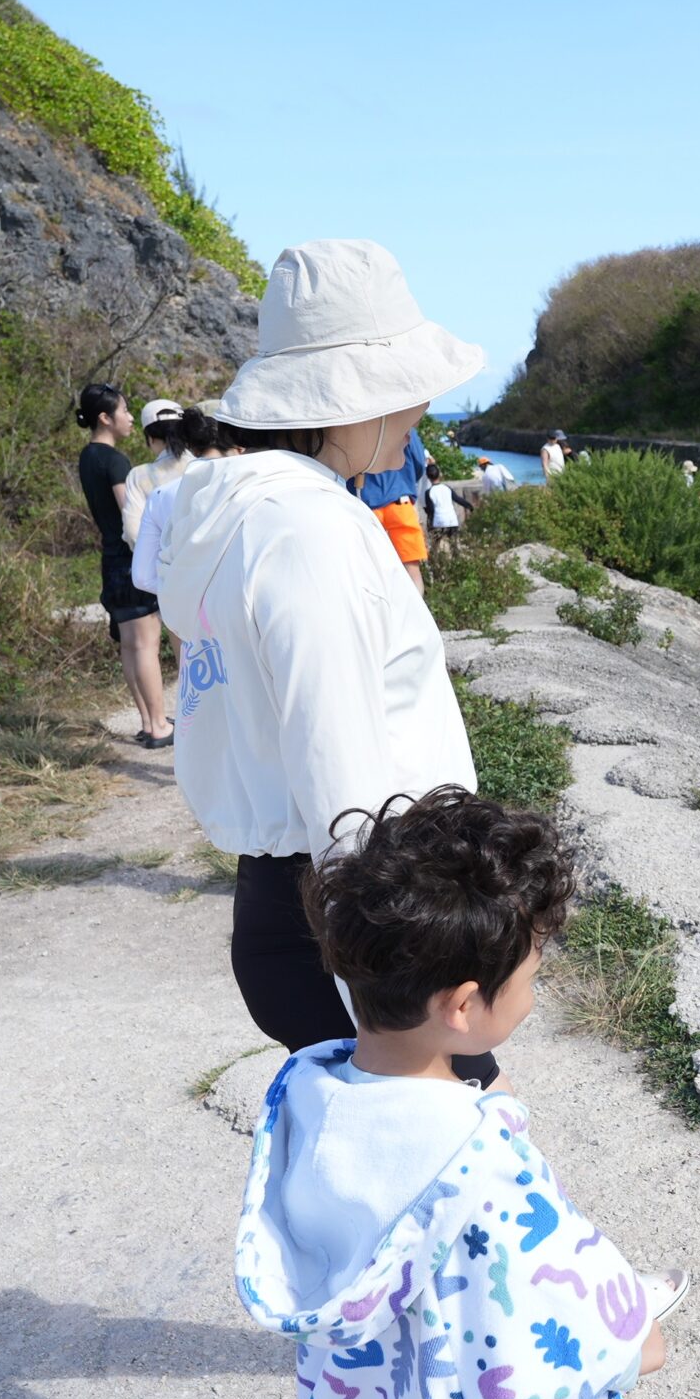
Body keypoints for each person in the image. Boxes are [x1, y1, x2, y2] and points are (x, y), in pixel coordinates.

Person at [235, 788, 661, 1399]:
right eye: (533, 976)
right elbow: (562, 1316)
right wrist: (639, 1336)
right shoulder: (481, 1167)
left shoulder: (310, 1095)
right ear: (463, 1006)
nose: (536, 989)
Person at [154, 238, 489, 1067]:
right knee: (457, 1169)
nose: (418, 411)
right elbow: (341, 777)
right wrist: (414, 1009)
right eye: (406, 389)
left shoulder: (244, 512)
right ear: (354, 394)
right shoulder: (309, 532)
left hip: (296, 900)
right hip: (353, 920)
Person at [75, 382, 173, 748]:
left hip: (109, 559)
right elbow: (131, 515)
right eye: (125, 411)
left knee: (130, 647)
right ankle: (161, 726)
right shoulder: (116, 462)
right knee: (146, 644)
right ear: (105, 417)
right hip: (130, 559)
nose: (131, 418)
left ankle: (149, 722)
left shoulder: (88, 456)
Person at [129, 405, 233, 596]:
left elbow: (142, 577)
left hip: (190, 611)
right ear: (237, 446)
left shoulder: (160, 493)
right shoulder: (252, 483)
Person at [354, 425, 432, 590]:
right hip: (400, 502)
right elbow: (419, 463)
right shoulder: (405, 425)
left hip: (366, 504)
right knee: (412, 570)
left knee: (371, 571)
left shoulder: (358, 427)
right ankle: (413, 614)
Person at [121, 398, 193, 550]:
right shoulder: (205, 465)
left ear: (151, 438)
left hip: (162, 567)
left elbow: (133, 532)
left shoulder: (139, 476)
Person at [423, 461, 463, 544]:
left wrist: (425, 510)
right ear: (439, 474)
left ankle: (437, 555)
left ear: (427, 476)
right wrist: (469, 506)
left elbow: (431, 511)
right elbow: (458, 499)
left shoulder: (429, 492)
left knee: (436, 545)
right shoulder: (447, 488)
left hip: (438, 522)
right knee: (454, 544)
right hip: (452, 521)